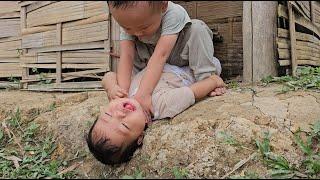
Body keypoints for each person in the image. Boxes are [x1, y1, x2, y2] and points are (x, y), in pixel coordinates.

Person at [86, 63, 226, 165]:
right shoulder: (160, 105)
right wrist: (212, 82)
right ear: (140, 137)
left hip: (163, 58)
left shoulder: (121, 94)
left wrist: (111, 87)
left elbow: (108, 76)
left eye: (108, 115)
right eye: (124, 125)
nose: (119, 113)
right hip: (193, 63)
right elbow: (193, 92)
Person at [107, 1, 224, 117]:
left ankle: (207, 79)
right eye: (127, 28)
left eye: (144, 27)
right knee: (130, 48)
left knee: (198, 28)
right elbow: (127, 56)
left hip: (179, 55)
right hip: (150, 61)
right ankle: (139, 85)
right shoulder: (130, 20)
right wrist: (123, 94)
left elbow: (161, 55)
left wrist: (144, 94)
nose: (137, 33)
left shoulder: (173, 13)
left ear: (163, 5)